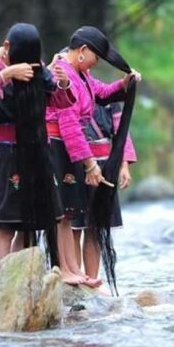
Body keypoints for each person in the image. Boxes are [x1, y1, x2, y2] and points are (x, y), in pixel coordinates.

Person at [0, 23, 74, 269]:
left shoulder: (37, 66)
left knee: (30, 224)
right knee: (5, 226)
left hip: (35, 149)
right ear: (6, 46)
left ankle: (19, 281)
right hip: (4, 151)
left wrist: (63, 84)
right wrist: (6, 75)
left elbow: (59, 101)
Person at [46, 29, 141, 291]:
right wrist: (89, 163)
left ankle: (74, 270)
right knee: (64, 214)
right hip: (58, 146)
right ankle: (67, 269)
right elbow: (69, 123)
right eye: (96, 57)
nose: (96, 63)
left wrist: (124, 84)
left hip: (70, 149)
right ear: (83, 50)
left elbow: (103, 93)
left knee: (69, 214)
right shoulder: (61, 74)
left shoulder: (82, 75)